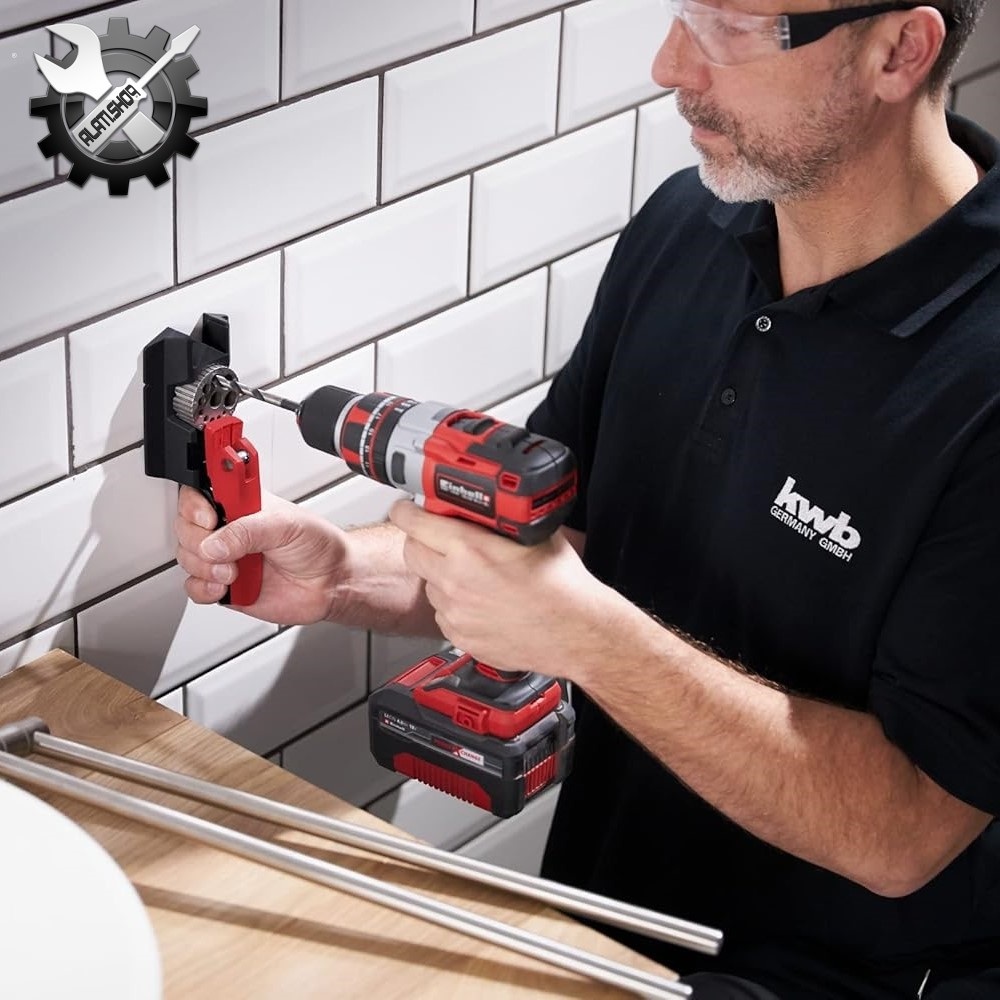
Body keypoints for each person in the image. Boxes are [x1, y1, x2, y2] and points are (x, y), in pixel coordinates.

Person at [174, 1, 1000, 996]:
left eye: (729, 30)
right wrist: (345, 573)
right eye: (681, 14)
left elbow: (905, 829)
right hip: (604, 930)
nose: (670, 66)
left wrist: (589, 637)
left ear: (898, 50)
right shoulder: (687, 227)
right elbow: (551, 545)